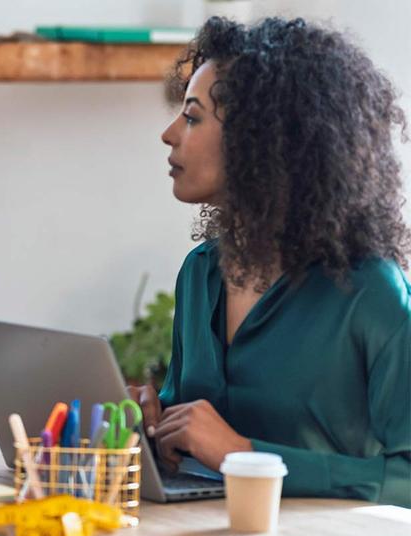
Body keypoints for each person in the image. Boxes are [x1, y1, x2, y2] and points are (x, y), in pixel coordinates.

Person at [133, 17, 411, 506]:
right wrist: (153, 424)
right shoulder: (200, 273)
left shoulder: (370, 291)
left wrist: (245, 455)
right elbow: (191, 436)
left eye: (193, 118)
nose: (168, 134)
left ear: (261, 139)